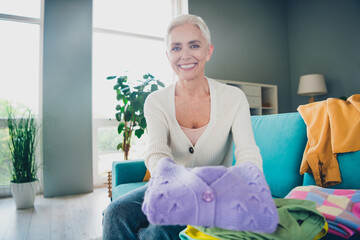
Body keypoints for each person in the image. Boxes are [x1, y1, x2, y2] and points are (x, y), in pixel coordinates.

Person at [102, 14, 263, 240]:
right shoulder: (156, 101)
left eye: (194, 46)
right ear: (168, 55)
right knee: (114, 214)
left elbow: (248, 152)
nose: (185, 55)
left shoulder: (233, 98)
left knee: (162, 228)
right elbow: (156, 152)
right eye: (176, 48)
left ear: (208, 51)